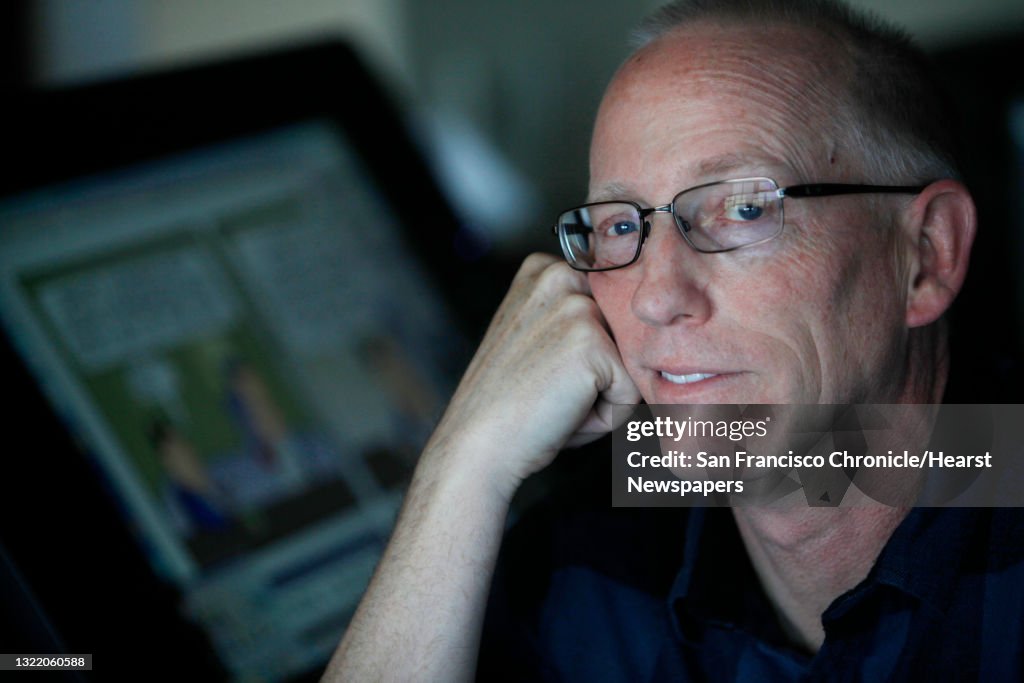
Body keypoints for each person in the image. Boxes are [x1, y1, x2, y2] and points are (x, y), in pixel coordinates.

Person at [324, 0, 1023, 680]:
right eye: (622, 225)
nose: (657, 297)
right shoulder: (589, 565)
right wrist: (463, 465)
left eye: (744, 208)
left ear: (926, 254)